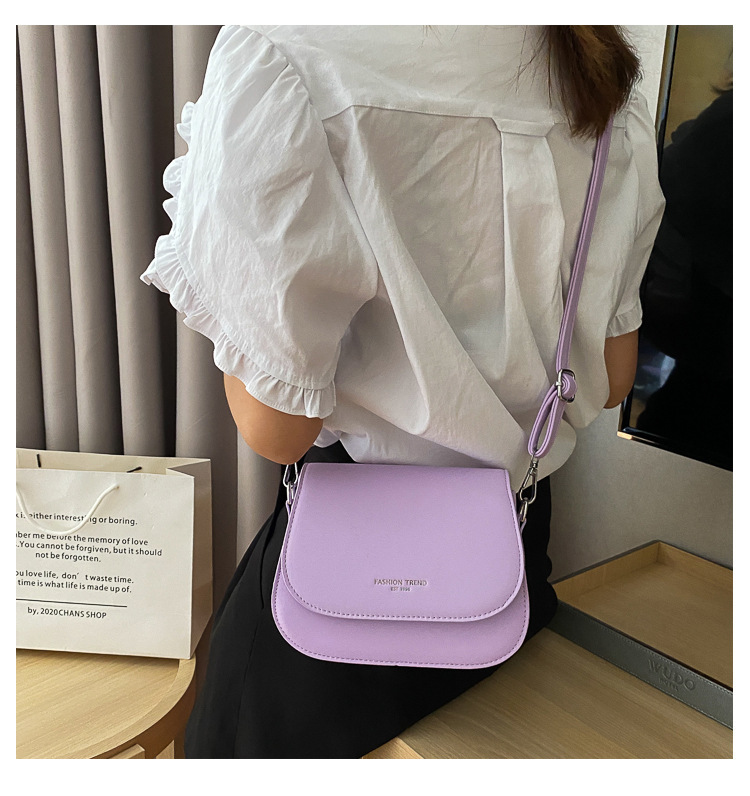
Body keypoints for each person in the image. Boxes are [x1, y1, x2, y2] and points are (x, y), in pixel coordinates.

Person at [140, 25, 665, 758]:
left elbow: (277, 429)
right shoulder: (604, 73)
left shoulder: (284, 52)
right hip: (509, 563)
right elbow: (613, 379)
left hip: (335, 611)